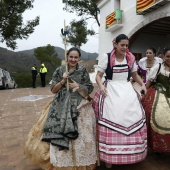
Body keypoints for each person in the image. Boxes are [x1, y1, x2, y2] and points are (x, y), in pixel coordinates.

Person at [25, 47, 97, 170]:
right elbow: (53, 90)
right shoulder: (59, 70)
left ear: (79, 58)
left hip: (80, 105)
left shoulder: (83, 71)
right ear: (67, 57)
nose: (73, 59)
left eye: (76, 57)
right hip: (61, 104)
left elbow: (89, 88)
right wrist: (63, 80)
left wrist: (78, 86)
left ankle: (82, 162)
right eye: (71, 57)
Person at [95, 34, 147, 168]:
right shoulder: (106, 57)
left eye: (126, 45)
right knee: (112, 118)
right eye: (122, 45)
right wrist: (101, 87)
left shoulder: (130, 58)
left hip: (126, 89)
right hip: (111, 89)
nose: (124, 48)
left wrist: (142, 84)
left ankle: (133, 153)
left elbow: (134, 75)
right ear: (115, 45)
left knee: (133, 116)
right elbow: (98, 76)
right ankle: (109, 157)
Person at [142, 47, 170, 153]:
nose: (169, 59)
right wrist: (142, 94)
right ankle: (158, 145)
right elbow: (148, 83)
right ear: (163, 56)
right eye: (167, 56)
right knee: (156, 113)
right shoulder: (158, 68)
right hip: (159, 93)